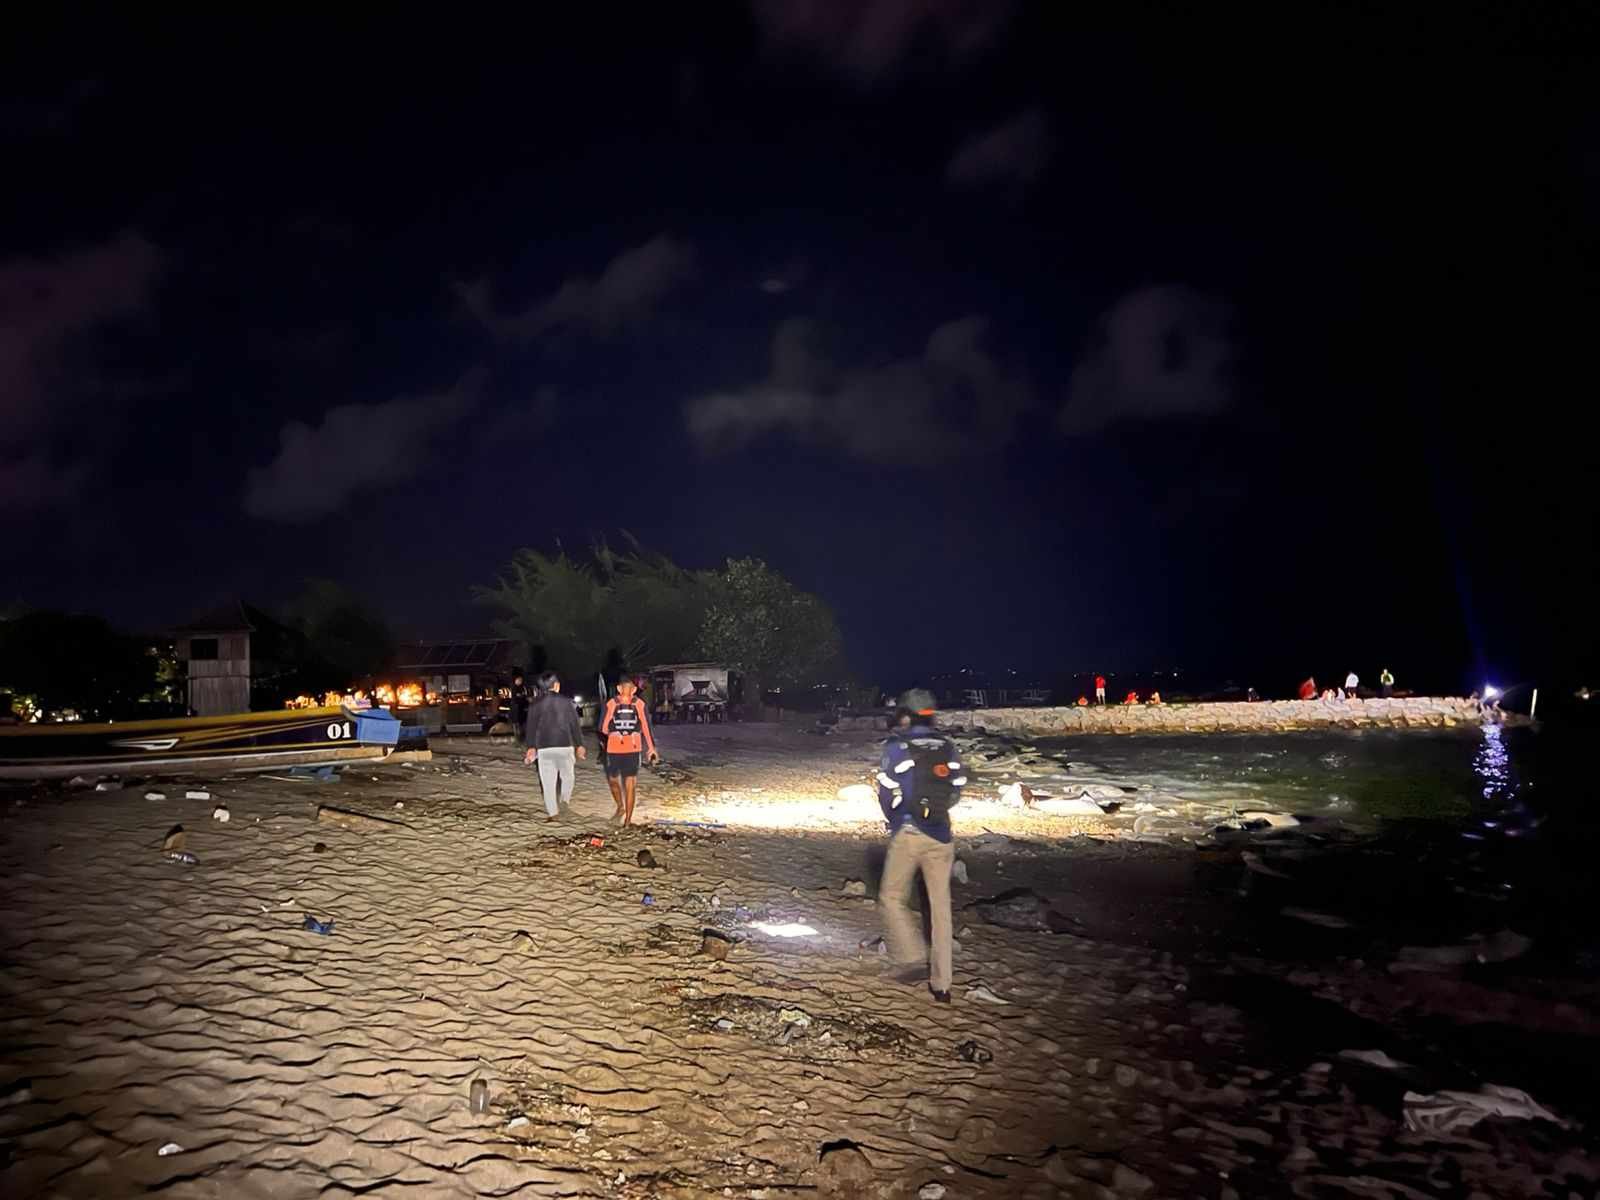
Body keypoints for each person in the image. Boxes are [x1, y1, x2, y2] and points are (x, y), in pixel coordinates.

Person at [876, 688, 965, 1003]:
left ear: (905, 715)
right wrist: (935, 814)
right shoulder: (947, 746)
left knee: (891, 897)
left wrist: (897, 820)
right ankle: (942, 984)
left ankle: (912, 957)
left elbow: (885, 792)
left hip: (909, 833)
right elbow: (956, 790)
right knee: (941, 909)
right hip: (942, 835)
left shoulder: (897, 747)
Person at [522, 671, 586, 821]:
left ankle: (553, 813)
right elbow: (575, 725)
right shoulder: (567, 702)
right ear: (556, 685)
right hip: (565, 746)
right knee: (568, 777)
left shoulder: (535, 704)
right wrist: (580, 745)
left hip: (544, 748)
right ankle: (564, 801)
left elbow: (531, 728)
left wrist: (531, 747)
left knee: (548, 783)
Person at [600, 676, 658, 825]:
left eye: (629, 690)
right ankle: (620, 807)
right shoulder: (611, 704)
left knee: (630, 783)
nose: (626, 693)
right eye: (624, 689)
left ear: (634, 690)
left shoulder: (639, 704)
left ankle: (628, 820)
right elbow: (603, 727)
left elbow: (646, 727)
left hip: (632, 748)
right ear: (619, 689)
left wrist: (651, 748)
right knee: (613, 781)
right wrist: (615, 731)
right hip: (614, 748)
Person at [509, 671, 530, 744]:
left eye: (521, 680)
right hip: (516, 710)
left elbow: (523, 697)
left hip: (521, 711)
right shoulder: (514, 688)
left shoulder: (522, 688)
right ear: (516, 680)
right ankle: (518, 739)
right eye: (519, 680)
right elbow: (516, 698)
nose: (520, 681)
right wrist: (523, 698)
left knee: (521, 725)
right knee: (517, 725)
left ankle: (521, 738)